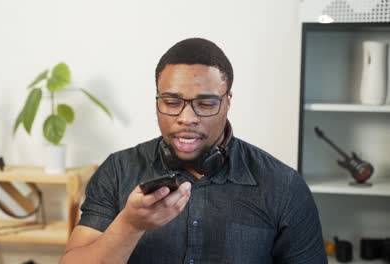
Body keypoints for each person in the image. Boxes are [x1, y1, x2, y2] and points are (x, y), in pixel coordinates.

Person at [60, 38, 327, 264]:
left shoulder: (284, 187)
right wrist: (131, 225)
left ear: (227, 102)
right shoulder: (118, 171)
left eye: (206, 103)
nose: (187, 117)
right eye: (172, 102)